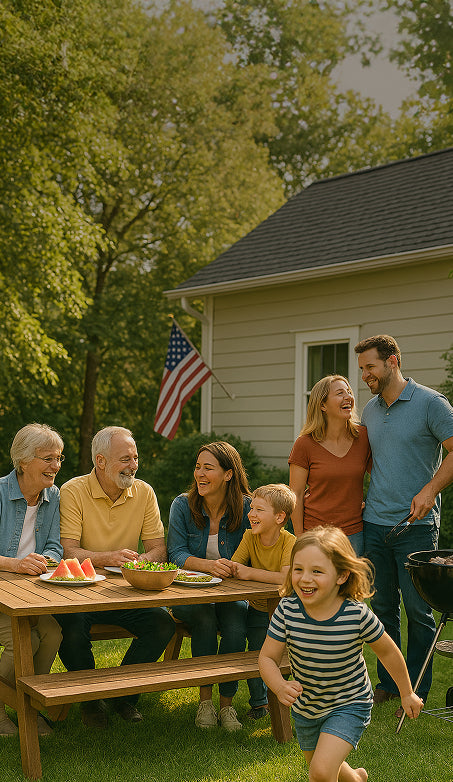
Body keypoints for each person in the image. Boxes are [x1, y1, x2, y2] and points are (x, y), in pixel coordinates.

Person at [259, 526, 423, 782]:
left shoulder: (356, 615)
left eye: (317, 571)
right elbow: (267, 658)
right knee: (322, 766)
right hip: (307, 707)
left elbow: (389, 652)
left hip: (349, 702)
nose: (305, 578)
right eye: (298, 569)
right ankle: (356, 779)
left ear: (342, 575)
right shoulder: (287, 610)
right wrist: (279, 686)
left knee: (321, 772)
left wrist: (407, 692)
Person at [354, 334, 453, 708]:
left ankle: (417, 690)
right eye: (362, 369)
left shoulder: (431, 403)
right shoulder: (371, 410)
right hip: (375, 525)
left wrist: (430, 490)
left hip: (416, 527)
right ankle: (388, 684)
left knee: (417, 610)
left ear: (393, 360)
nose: (365, 375)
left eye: (370, 367)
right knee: (382, 610)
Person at [56, 426, 175, 729]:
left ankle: (124, 696)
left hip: (125, 590)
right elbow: (67, 551)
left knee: (162, 623)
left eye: (135, 458)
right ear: (100, 461)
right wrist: (107, 558)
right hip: (80, 591)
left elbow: (158, 548)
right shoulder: (72, 490)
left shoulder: (144, 492)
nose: (133, 465)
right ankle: (90, 699)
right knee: (70, 627)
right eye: (125, 459)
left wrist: (141, 563)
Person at [167, 441, 251, 731]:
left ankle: (227, 706)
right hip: (189, 592)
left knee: (235, 625)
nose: (200, 474)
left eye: (208, 468)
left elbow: (263, 550)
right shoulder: (182, 505)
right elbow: (175, 553)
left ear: (228, 474)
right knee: (202, 617)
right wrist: (209, 566)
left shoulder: (249, 508)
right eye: (197, 467)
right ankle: (205, 702)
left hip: (232, 594)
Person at [0, 423, 64, 736]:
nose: (56, 466)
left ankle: (30, 705)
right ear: (24, 461)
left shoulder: (53, 496)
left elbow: (54, 545)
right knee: (24, 640)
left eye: (59, 459)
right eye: (48, 458)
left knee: (52, 634)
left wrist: (47, 560)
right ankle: (2, 706)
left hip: (30, 592)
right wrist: (15, 564)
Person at [231, 483, 296, 719]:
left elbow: (286, 578)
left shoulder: (289, 541)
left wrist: (250, 573)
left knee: (284, 657)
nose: (251, 514)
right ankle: (260, 703)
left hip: (287, 614)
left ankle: (282, 698)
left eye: (259, 510)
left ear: (280, 517)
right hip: (259, 609)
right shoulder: (249, 537)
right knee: (257, 653)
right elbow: (235, 567)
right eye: (251, 509)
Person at [289, 375, 371, 553]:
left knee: (352, 581)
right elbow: (295, 493)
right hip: (315, 534)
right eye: (340, 393)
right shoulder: (304, 444)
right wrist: (300, 536)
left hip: (353, 534)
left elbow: (381, 477)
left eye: (349, 392)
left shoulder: (363, 437)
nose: (348, 397)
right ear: (322, 405)